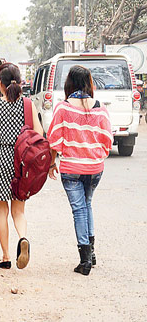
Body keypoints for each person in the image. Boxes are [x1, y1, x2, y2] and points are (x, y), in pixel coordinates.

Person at [46, 65, 112, 276]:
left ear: (69, 83)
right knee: (87, 205)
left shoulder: (63, 108)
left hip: (72, 168)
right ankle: (91, 254)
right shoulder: (100, 107)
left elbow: (54, 140)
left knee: (79, 210)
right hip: (95, 167)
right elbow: (107, 139)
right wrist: (96, 155)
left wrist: (51, 163)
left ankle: (84, 260)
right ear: (89, 83)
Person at [0, 62, 43, 270]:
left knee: (1, 211)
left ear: (0, 84)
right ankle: (23, 237)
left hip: (1, 159)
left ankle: (5, 257)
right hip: (21, 160)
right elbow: (39, 134)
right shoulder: (28, 104)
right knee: (19, 211)